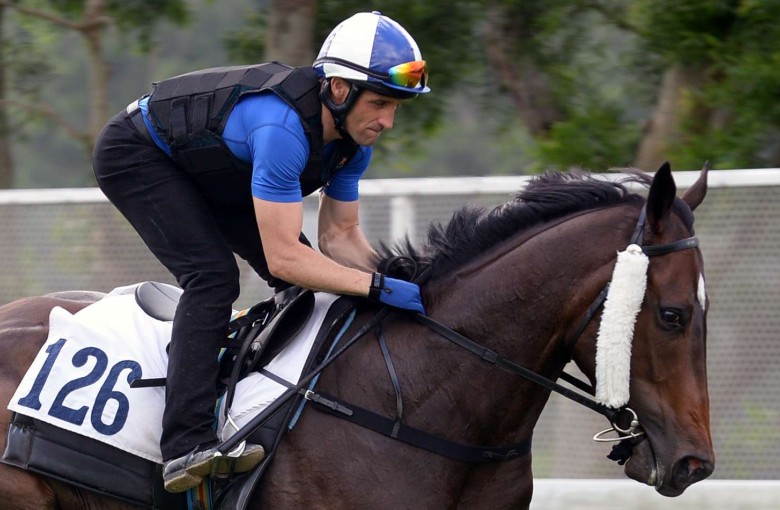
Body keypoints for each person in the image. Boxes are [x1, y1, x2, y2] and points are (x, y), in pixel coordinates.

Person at [92, 11, 429, 493]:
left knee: (312, 284)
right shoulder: (284, 129)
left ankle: (246, 387)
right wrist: (374, 286)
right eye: (379, 103)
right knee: (212, 278)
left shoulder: (354, 144)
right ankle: (185, 444)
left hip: (214, 170)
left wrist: (403, 281)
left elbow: (341, 237)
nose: (388, 122)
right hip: (138, 154)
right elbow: (283, 257)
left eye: (396, 107)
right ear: (338, 89)